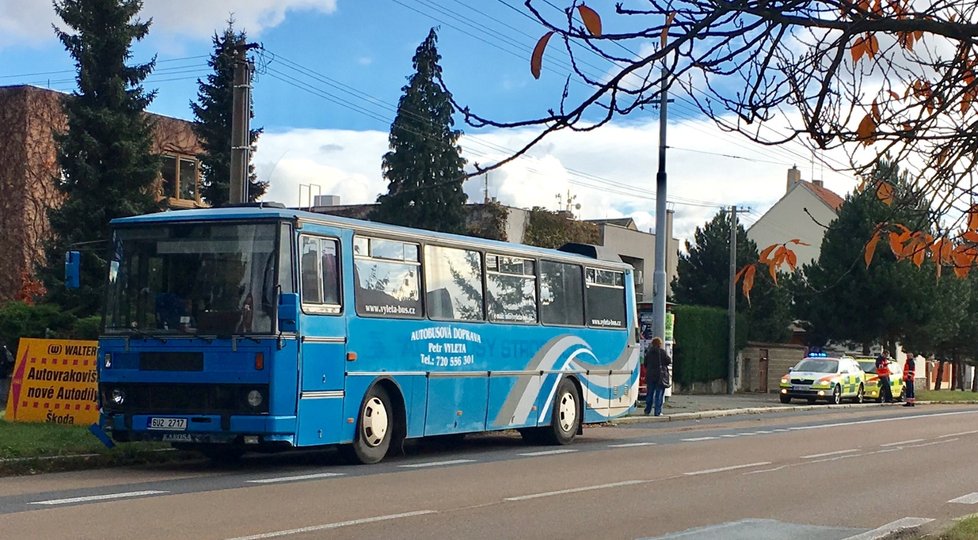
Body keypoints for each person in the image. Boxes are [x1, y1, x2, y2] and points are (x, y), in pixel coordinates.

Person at [643, 337, 672, 416]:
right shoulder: (662, 352)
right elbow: (668, 361)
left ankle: (647, 410)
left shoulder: (649, 352)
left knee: (650, 393)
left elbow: (645, 363)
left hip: (650, 375)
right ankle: (657, 411)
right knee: (659, 394)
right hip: (660, 375)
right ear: (660, 344)